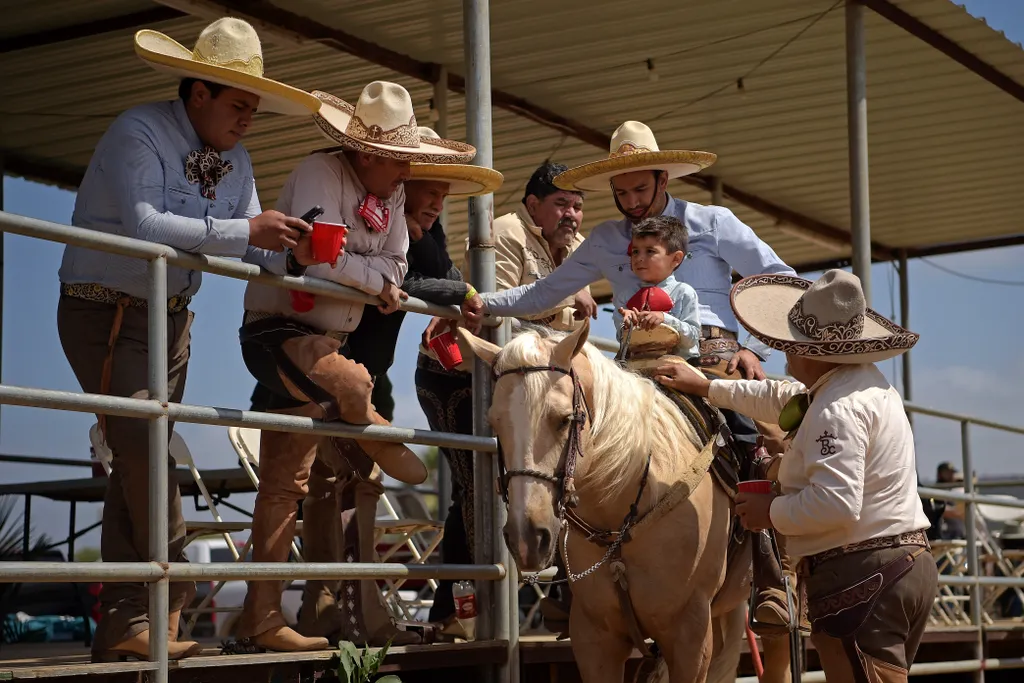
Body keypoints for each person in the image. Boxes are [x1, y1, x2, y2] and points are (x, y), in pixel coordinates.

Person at [56, 17, 323, 663]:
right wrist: (251, 232)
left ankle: (126, 624)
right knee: (149, 450)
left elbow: (258, 250)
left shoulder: (240, 158)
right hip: (104, 312)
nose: (247, 120)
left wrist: (302, 250)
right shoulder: (138, 130)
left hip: (171, 317)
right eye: (238, 104)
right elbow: (147, 222)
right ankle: (163, 604)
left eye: (253, 108)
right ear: (196, 92)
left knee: (136, 460)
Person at [479, 120, 797, 630]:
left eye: (639, 189)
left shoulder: (713, 222)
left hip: (713, 352)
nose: (630, 201)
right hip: (634, 366)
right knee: (578, 440)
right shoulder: (605, 239)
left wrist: (753, 347)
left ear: (663, 179)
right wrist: (482, 304)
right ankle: (575, 574)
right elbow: (544, 293)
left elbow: (779, 279)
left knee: (756, 441)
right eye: (620, 191)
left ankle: (771, 577)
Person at [236, 82, 474, 651]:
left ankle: (263, 619)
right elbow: (319, 264)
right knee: (352, 381)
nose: (408, 175)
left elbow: (392, 264)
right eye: (401, 161)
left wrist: (363, 270)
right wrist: (374, 279)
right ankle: (373, 427)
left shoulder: (390, 195)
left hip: (324, 340)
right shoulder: (321, 172)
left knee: (283, 484)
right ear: (367, 153)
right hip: (279, 333)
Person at [654, 269, 936, 683]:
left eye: (791, 347)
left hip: (861, 571)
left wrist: (772, 510)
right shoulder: (861, 386)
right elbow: (782, 398)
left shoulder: (834, 409)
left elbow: (836, 503)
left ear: (815, 351)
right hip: (900, 564)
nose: (786, 357)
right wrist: (707, 387)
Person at [343, 127, 496, 420]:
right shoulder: (373, 213)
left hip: (369, 368)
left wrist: (419, 236)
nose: (438, 205)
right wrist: (464, 292)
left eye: (444, 196)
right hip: (332, 354)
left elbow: (448, 276)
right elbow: (402, 282)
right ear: (404, 184)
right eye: (431, 192)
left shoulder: (428, 228)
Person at [473, 161, 597, 330]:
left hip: (541, 352)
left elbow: (583, 318)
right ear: (532, 205)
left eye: (577, 206)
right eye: (561, 203)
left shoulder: (580, 245)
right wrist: (567, 297)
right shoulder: (505, 232)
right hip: (477, 354)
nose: (571, 214)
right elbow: (495, 307)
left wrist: (548, 309)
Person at [615, 215, 700, 360]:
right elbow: (621, 339)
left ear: (676, 259)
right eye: (635, 251)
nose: (639, 258)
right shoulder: (625, 296)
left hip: (677, 367)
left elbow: (693, 338)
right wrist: (627, 326)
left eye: (650, 251)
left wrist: (664, 319)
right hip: (636, 365)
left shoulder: (683, 292)